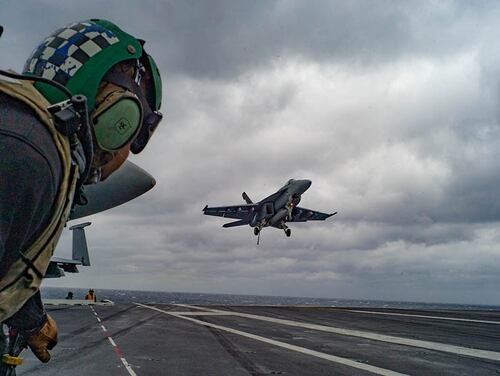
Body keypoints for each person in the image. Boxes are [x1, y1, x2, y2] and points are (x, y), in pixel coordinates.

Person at [0, 19, 163, 363]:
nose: (127, 150)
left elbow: (10, 255)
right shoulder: (29, 159)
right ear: (117, 115)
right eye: (134, 131)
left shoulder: (24, 141)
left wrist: (31, 322)